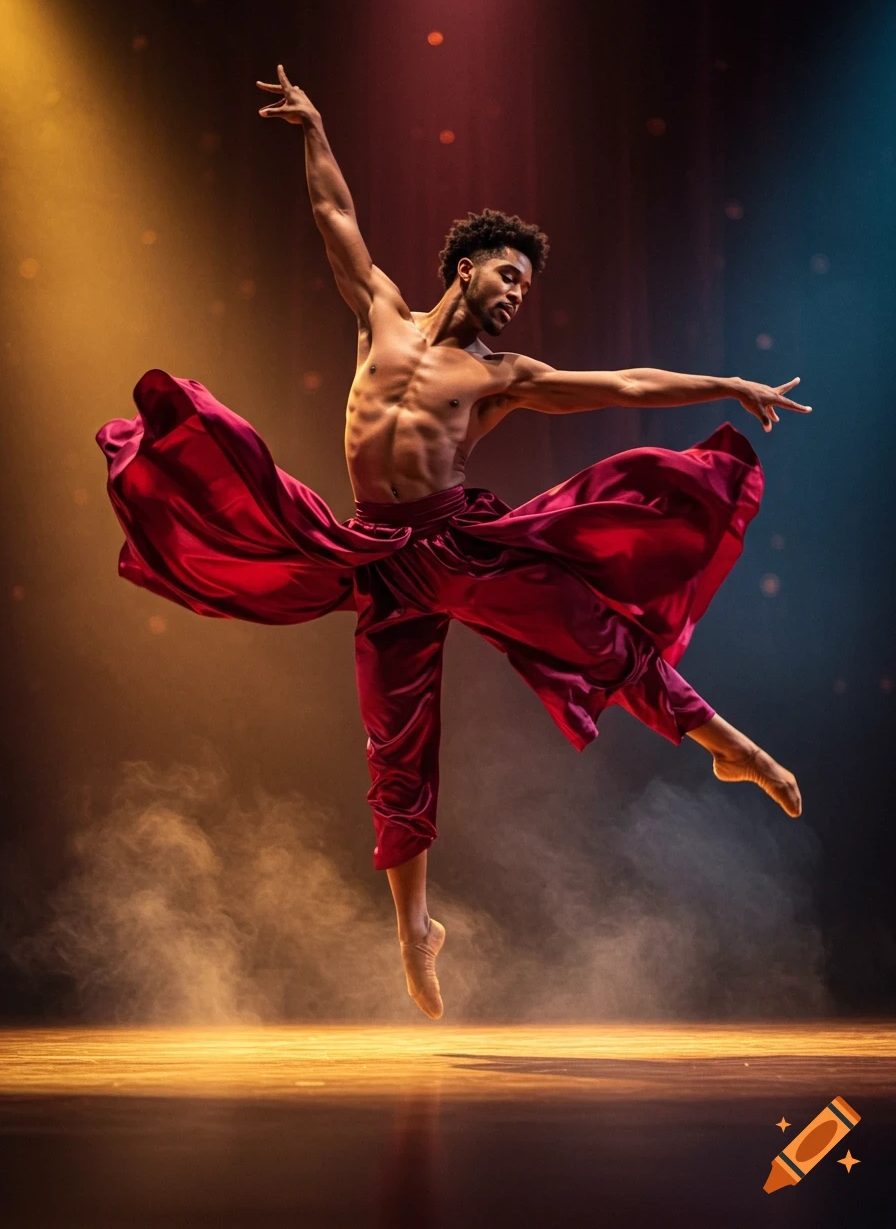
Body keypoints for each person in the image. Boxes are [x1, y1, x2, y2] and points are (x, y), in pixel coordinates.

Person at [97, 65, 812, 1020]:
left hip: (457, 546)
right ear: (466, 267)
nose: (518, 294)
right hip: (374, 556)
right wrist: (314, 127)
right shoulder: (381, 316)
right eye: (509, 275)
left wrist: (729, 384)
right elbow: (335, 215)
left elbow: (625, 385)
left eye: (528, 285)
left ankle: (731, 747)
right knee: (394, 741)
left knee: (593, 634)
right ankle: (414, 930)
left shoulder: (502, 375)